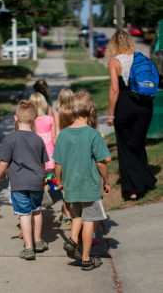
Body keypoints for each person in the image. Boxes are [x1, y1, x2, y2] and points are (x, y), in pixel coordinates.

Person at [53, 91, 111, 271]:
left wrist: (60, 182)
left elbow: (58, 163)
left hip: (71, 185)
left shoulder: (62, 135)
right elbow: (103, 162)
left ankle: (72, 241)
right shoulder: (94, 135)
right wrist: (107, 182)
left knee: (76, 215)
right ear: (92, 111)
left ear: (70, 111)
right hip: (89, 186)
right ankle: (86, 259)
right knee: (89, 220)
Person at [105, 30, 157, 201]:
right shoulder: (141, 58)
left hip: (125, 107)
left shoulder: (115, 62)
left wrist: (111, 114)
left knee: (126, 148)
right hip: (145, 106)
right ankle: (145, 181)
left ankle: (133, 190)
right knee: (139, 145)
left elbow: (114, 89)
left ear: (114, 44)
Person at [0, 100, 49, 260]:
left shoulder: (10, 138)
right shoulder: (38, 140)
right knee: (37, 210)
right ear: (34, 120)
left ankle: (29, 248)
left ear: (15, 118)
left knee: (24, 214)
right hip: (37, 182)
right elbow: (42, 163)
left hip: (19, 184)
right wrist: (42, 179)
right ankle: (38, 241)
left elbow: (4, 161)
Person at [29, 93, 56, 206]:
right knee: (49, 174)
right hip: (49, 151)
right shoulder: (50, 119)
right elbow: (54, 137)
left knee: (37, 174)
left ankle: (39, 195)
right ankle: (46, 188)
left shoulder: (31, 121)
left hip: (35, 152)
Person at [58, 105, 74, 224]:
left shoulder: (61, 135)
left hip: (65, 169)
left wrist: (59, 181)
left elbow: (58, 159)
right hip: (75, 168)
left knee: (65, 193)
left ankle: (67, 214)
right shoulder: (76, 133)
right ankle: (72, 213)